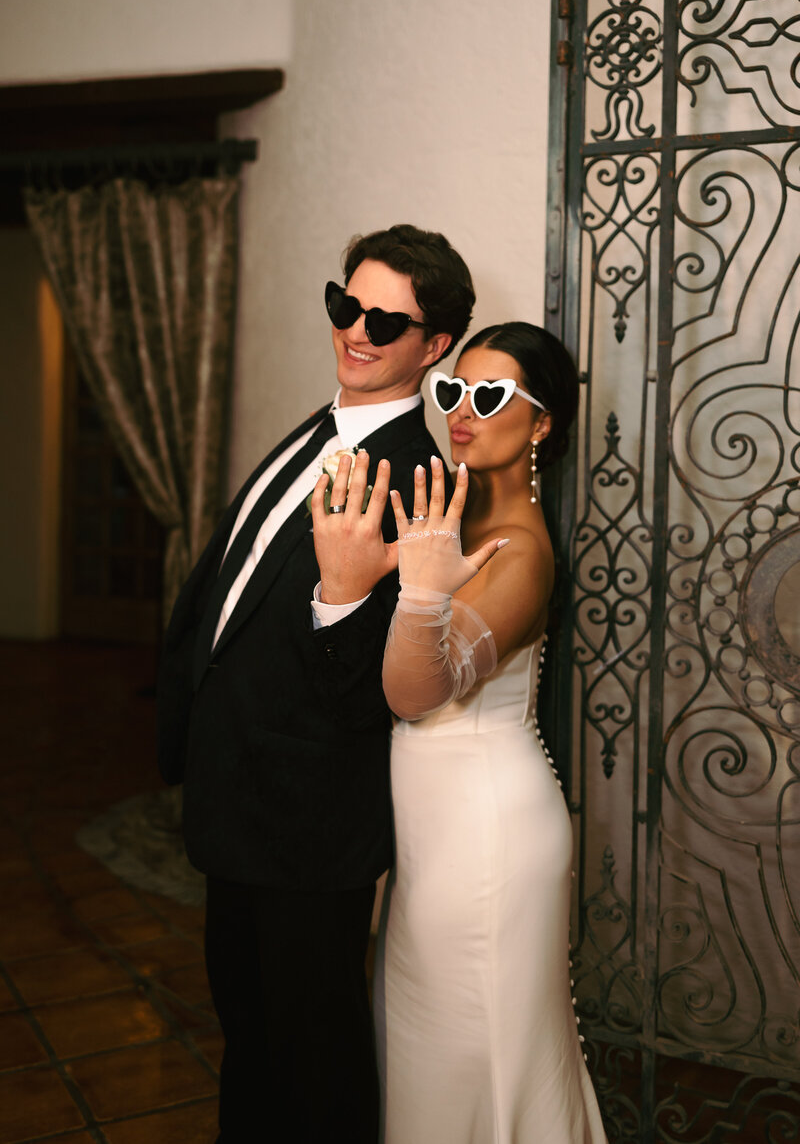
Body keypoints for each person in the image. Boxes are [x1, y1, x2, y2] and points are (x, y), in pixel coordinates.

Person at [156, 223, 475, 1144]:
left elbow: (379, 695)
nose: (356, 330)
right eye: (347, 305)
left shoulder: (416, 479)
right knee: (251, 1039)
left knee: (315, 1063)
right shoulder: (322, 427)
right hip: (240, 798)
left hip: (307, 820)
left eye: (386, 321)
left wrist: (345, 594)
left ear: (434, 344)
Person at [311, 321, 607, 1142]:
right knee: (424, 1059)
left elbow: (415, 691)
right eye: (452, 391)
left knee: (470, 1062)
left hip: (487, 838)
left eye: (489, 394)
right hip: (432, 834)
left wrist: (410, 589)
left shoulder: (521, 553)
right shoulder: (450, 520)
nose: (461, 411)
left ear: (542, 422)